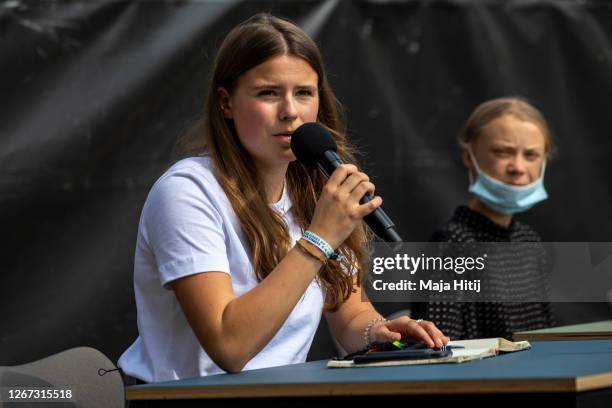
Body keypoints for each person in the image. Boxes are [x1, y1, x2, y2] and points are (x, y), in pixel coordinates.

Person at [118, 13, 448, 383]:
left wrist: (382, 333)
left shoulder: (312, 193)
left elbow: (351, 317)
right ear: (225, 103)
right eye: (268, 93)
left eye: (304, 93)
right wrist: (318, 240)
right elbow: (229, 347)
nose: (290, 111)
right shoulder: (186, 191)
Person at [413, 97, 556, 340]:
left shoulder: (529, 242)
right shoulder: (451, 244)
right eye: (503, 152)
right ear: (469, 157)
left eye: (531, 155)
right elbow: (440, 347)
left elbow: (547, 336)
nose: (518, 167)